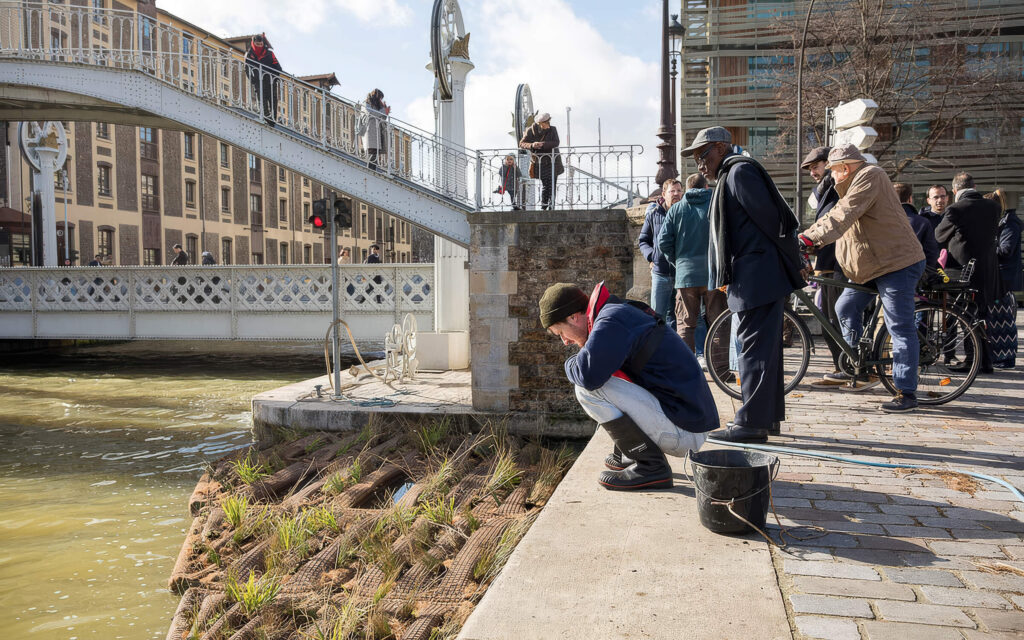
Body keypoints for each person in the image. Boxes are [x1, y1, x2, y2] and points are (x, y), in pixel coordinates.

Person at [685, 126, 804, 442]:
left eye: (703, 155)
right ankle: (767, 418)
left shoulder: (739, 173)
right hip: (757, 273)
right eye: (696, 159)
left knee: (754, 351)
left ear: (720, 147)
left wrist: (793, 263)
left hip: (757, 275)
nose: (700, 164)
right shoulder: (734, 173)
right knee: (765, 351)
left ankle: (751, 423)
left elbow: (775, 223)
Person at [539, 281, 717, 490]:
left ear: (573, 317)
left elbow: (588, 376)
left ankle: (652, 466)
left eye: (560, 333)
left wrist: (569, 363)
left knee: (587, 389)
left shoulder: (611, 321)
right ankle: (632, 452)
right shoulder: (617, 312)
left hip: (685, 432)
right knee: (601, 374)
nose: (565, 342)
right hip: (689, 421)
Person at [799, 144, 926, 412]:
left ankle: (906, 392)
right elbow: (833, 217)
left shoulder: (871, 176)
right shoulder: (849, 186)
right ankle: (857, 364)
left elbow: (844, 214)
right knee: (844, 307)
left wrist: (810, 238)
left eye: (832, 171)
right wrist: (805, 237)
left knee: (899, 326)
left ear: (844, 168)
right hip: (871, 266)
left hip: (896, 262)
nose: (831, 176)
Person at [658, 173, 728, 370]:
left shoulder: (676, 209)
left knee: (685, 325)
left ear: (687, 189)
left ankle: (686, 371)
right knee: (719, 324)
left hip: (686, 275)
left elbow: (663, 242)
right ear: (706, 187)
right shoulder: (716, 204)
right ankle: (721, 371)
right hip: (713, 275)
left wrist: (678, 262)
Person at [935, 172, 1002, 374]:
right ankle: (986, 361)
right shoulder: (993, 207)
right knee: (983, 315)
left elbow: (939, 235)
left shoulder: (956, 209)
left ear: (955, 190)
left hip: (963, 271)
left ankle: (973, 360)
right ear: (974, 186)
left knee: (967, 315)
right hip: (987, 270)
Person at [801, 146, 851, 386]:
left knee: (836, 319)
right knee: (829, 320)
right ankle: (842, 366)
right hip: (827, 261)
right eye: (810, 169)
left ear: (829, 165)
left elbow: (834, 223)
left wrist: (810, 239)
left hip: (839, 262)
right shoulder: (824, 190)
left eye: (815, 167)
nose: (812, 172)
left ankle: (848, 368)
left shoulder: (837, 188)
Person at [638, 178, 681, 330]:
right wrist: (652, 257)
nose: (676, 194)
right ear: (664, 194)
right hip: (660, 274)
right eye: (672, 191)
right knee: (657, 317)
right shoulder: (654, 214)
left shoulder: (685, 212)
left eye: (679, 190)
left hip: (680, 273)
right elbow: (643, 240)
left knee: (679, 317)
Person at [994, 188, 1021, 369]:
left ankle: (1006, 358)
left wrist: (987, 248)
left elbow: (1005, 250)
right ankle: (1002, 357)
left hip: (1003, 279)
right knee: (1001, 317)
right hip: (1000, 277)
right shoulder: (1005, 222)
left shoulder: (1009, 224)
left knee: (1003, 318)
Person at [893, 182, 939, 279]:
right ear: (910, 199)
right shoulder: (922, 222)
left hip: (884, 275)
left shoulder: (881, 221)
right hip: (913, 274)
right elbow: (931, 253)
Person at [519, 112, 563, 210]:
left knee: (552, 184)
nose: (548, 125)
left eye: (548, 122)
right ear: (540, 123)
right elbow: (521, 143)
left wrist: (543, 144)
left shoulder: (553, 129)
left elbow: (556, 142)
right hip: (540, 162)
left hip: (553, 161)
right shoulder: (530, 130)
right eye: (546, 123)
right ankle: (544, 206)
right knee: (545, 184)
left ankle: (551, 206)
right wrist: (532, 145)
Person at [244, 33, 282, 126]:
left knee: (273, 100)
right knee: (262, 100)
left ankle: (272, 121)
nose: (259, 46)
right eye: (257, 44)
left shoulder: (269, 53)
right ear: (253, 43)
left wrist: (274, 78)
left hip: (270, 80)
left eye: (261, 44)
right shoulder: (249, 54)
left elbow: (278, 67)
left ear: (263, 43)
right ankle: (267, 118)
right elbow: (247, 69)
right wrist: (253, 80)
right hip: (258, 81)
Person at [360, 89, 390, 172]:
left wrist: (384, 109)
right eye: (380, 98)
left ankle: (373, 170)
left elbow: (382, 117)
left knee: (376, 153)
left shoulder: (377, 107)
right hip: (369, 130)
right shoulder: (366, 103)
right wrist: (383, 111)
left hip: (377, 131)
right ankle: (369, 171)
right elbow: (371, 113)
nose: (380, 100)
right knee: (371, 151)